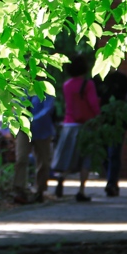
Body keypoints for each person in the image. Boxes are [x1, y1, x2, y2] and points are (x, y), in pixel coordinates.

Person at [52, 54, 100, 202]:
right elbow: (93, 103)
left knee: (68, 156)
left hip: (69, 124)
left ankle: (61, 177)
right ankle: (81, 191)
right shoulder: (88, 84)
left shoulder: (66, 85)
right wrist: (99, 116)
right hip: (86, 125)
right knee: (86, 158)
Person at [13, 94, 55, 204]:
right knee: (21, 158)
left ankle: (39, 191)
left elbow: (48, 108)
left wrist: (32, 119)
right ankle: (19, 190)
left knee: (43, 162)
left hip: (42, 130)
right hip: (23, 129)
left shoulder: (46, 91)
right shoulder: (22, 90)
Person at [98, 70, 127, 197]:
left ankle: (111, 183)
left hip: (118, 122)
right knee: (103, 154)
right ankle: (111, 180)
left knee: (114, 153)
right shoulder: (98, 77)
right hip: (101, 121)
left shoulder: (122, 79)